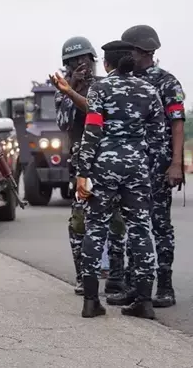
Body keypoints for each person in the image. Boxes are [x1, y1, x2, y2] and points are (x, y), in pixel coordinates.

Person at [73, 40, 165, 320]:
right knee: (141, 227)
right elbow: (158, 139)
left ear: (107, 63)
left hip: (104, 166)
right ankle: (144, 302)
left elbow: (92, 131)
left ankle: (91, 301)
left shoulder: (100, 88)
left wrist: (83, 171)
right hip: (137, 166)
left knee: (96, 227)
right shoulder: (149, 90)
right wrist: (148, 167)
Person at [50, 37, 126, 296]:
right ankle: (84, 277)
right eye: (74, 61)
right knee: (80, 222)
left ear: (94, 60)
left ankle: (116, 277)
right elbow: (63, 124)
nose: (82, 65)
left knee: (116, 220)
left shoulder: (106, 86)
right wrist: (70, 90)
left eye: (85, 59)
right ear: (67, 66)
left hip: (110, 160)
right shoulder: (63, 88)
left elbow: (108, 118)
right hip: (82, 163)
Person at [121, 25, 184, 309]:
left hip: (157, 167)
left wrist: (176, 164)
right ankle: (136, 286)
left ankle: (165, 286)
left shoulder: (166, 82)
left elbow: (177, 125)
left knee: (159, 228)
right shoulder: (123, 80)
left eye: (129, 50)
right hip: (130, 166)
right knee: (133, 226)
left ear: (143, 51)